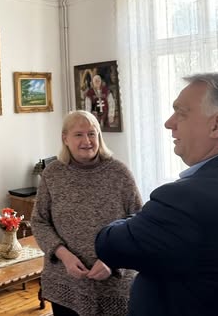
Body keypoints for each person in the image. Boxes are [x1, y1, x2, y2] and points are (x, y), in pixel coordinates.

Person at [95, 73, 218, 316]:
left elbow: (108, 244)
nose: (169, 123)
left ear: (217, 124)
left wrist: (136, 219)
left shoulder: (186, 199)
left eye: (181, 113)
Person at [31, 110, 142, 316]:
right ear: (65, 138)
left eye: (92, 133)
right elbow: (39, 222)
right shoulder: (52, 174)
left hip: (113, 283)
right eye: (78, 135)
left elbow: (139, 224)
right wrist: (64, 255)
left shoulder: (119, 173)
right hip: (65, 282)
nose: (87, 141)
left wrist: (113, 261)